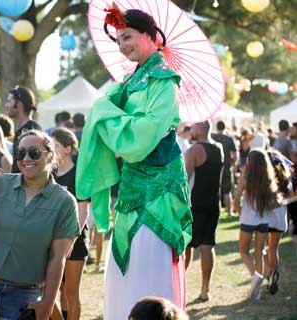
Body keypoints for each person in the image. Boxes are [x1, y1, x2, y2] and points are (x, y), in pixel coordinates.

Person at [75, 7, 192, 319]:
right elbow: (105, 113)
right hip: (131, 185)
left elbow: (143, 136)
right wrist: (107, 113)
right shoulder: (128, 82)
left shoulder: (164, 81)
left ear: (151, 36)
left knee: (148, 260)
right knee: (123, 263)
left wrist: (106, 114)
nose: (122, 45)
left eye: (127, 37)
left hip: (159, 186)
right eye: (118, 40)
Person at [0, 130, 79, 320]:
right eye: (20, 153)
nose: (26, 158)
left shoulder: (64, 201)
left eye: (34, 152)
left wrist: (48, 302)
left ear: (51, 155)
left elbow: (57, 258)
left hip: (23, 292)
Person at [51, 128, 89, 320]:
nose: (51, 149)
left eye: (55, 145)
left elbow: (83, 210)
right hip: (51, 239)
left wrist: (72, 239)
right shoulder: (50, 172)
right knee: (50, 291)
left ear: (68, 148)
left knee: (70, 293)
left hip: (76, 238)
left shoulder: (79, 173)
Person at [184, 120, 223, 302]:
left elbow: (183, 181)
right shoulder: (219, 148)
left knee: (185, 246)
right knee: (207, 246)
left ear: (201, 128)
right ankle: (205, 290)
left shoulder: (195, 151)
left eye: (192, 127)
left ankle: (179, 285)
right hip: (213, 203)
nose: (190, 130)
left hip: (196, 204)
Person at [233, 149, 279, 299]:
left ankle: (255, 276)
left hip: (247, 220)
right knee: (259, 252)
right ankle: (257, 290)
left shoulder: (245, 177)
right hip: (263, 221)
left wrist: (240, 212)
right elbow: (274, 202)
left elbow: (236, 199)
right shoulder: (268, 178)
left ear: (250, 162)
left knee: (244, 251)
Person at [265, 150, 292, 295]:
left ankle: (268, 273)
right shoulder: (286, 179)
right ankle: (273, 273)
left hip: (266, 218)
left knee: (260, 248)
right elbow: (291, 197)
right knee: (273, 248)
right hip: (281, 218)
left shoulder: (267, 179)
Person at [5, 86, 42, 173]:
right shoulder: (21, 130)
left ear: (19, 104)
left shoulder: (32, 129)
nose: (6, 105)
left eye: (9, 101)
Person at [212, 120, 237, 217]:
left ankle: (216, 212)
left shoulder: (212, 137)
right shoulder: (229, 139)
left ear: (217, 127)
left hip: (213, 167)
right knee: (227, 191)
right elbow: (235, 155)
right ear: (224, 127)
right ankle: (229, 212)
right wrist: (232, 164)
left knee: (213, 191)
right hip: (226, 166)